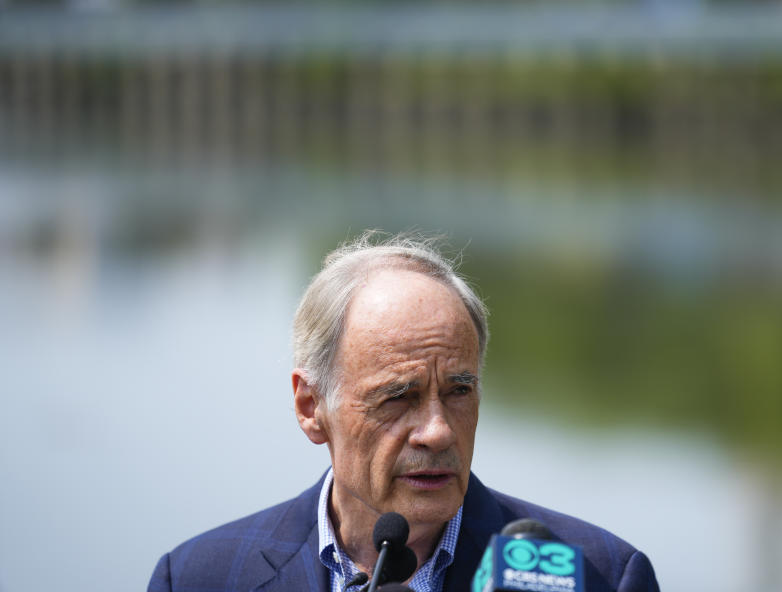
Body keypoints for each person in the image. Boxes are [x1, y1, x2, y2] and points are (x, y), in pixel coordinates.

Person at [148, 233, 659, 592]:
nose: (437, 431)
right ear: (310, 407)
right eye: (397, 398)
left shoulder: (603, 576)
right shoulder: (199, 577)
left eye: (459, 391)